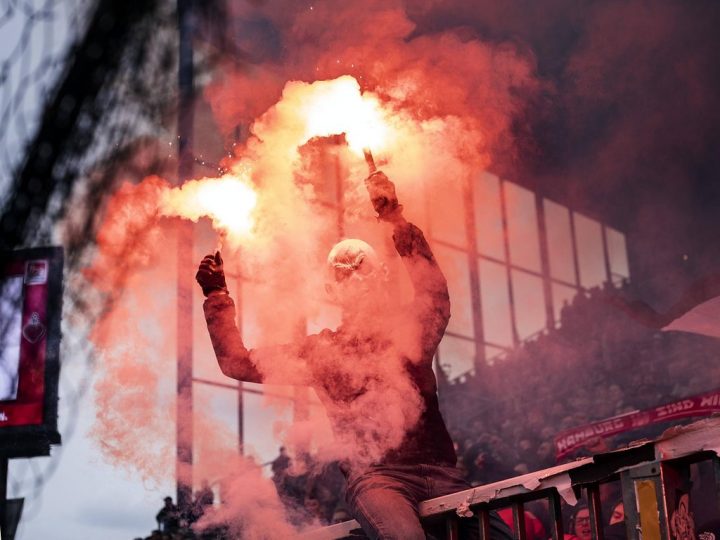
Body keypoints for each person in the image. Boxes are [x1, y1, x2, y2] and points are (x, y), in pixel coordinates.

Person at [196, 170, 512, 539]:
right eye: (345, 275)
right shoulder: (321, 352)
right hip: (379, 479)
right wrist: (216, 295)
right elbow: (239, 363)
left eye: (361, 270)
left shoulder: (406, 332)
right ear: (334, 291)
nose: (355, 280)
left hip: (444, 474)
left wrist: (395, 217)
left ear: (379, 279)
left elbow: (435, 298)